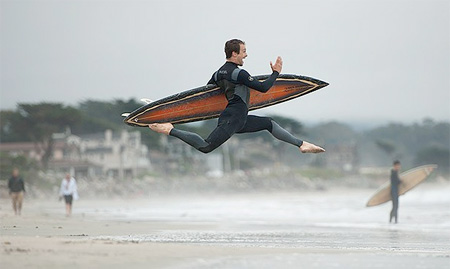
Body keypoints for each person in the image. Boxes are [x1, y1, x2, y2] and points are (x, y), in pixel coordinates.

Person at [149, 39, 325, 154]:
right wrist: (275, 73)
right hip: (233, 119)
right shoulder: (239, 73)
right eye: (244, 51)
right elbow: (263, 88)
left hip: (238, 118)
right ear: (234, 53)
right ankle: (169, 129)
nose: (246, 55)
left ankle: (301, 144)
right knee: (205, 146)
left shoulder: (218, 73)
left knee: (269, 123)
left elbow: (207, 94)